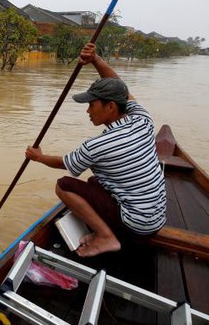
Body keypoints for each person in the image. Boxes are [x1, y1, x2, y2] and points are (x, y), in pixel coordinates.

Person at [25, 42, 166, 257]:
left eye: (92, 105)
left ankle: (105, 237)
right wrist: (96, 60)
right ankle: (107, 229)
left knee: (64, 185)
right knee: (93, 182)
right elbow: (120, 87)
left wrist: (39, 157)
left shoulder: (99, 145)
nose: (88, 111)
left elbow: (65, 163)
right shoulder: (142, 119)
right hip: (156, 219)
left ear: (110, 107)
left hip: (135, 226)